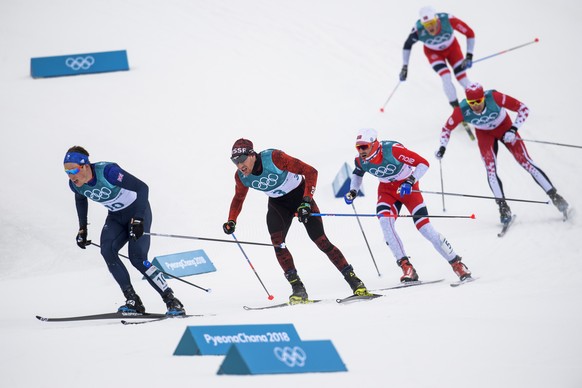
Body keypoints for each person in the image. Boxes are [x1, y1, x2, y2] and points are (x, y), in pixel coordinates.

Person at [223, 138, 372, 303]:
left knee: (321, 240)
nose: (239, 165)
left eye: (242, 160)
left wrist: (306, 201)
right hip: (278, 205)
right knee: (278, 244)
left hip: (300, 196)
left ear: (252, 155)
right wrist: (231, 220)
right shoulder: (241, 177)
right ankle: (298, 289)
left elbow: (311, 172)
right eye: (235, 162)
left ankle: (355, 282)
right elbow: (238, 198)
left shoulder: (274, 158)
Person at [63, 146, 185, 315]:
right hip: (115, 217)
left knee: (137, 258)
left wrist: (139, 218)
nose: (70, 175)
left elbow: (143, 188)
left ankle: (171, 299)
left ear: (85, 166)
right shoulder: (75, 184)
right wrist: (82, 228)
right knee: (107, 251)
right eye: (66, 171)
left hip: (136, 212)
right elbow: (80, 200)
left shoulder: (108, 172)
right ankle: (133, 300)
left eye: (73, 170)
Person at [344, 128, 472, 282]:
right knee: (385, 223)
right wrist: (353, 191)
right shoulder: (360, 161)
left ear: (373, 144)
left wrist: (410, 181)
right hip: (387, 191)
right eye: (358, 147)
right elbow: (357, 175)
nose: (361, 151)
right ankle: (406, 267)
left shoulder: (393, 150)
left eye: (364, 146)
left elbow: (423, 164)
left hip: (408, 189)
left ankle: (457, 263)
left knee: (425, 229)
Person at [435, 83, 569, 222]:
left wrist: (513, 129)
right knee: (491, 170)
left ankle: (555, 197)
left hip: (504, 127)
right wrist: (442, 147)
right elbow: (446, 129)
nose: (475, 105)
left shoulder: (494, 97)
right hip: (484, 134)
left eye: (479, 101)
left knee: (526, 162)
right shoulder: (461, 110)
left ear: (483, 98)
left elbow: (523, 108)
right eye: (471, 102)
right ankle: (503, 207)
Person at [399, 6, 475, 107]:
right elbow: (407, 45)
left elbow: (470, 33)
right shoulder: (418, 29)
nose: (429, 27)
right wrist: (404, 67)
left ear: (437, 20)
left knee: (462, 78)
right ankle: (456, 109)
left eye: (431, 23)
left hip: (452, 49)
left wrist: (469, 55)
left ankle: (477, 101)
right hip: (433, 53)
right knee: (446, 77)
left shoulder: (448, 20)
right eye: (426, 25)